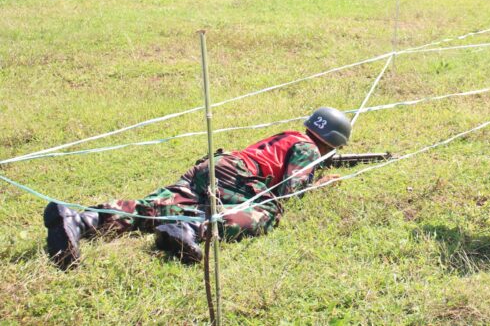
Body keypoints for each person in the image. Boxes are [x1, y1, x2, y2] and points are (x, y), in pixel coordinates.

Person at [43, 107, 351, 269]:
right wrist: (319, 183)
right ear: (333, 143)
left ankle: (81, 220)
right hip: (238, 174)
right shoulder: (309, 149)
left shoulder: (289, 134)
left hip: (211, 166)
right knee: (268, 211)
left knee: (154, 207)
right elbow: (290, 190)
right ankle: (194, 230)